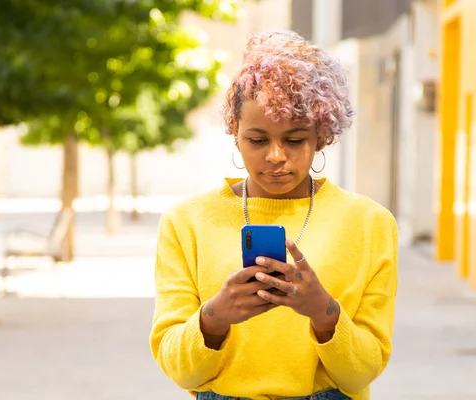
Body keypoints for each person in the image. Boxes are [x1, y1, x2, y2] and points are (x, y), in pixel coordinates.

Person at [150, 30, 398, 400]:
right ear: (235, 133)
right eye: (258, 139)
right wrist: (214, 317)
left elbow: (363, 370)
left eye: (295, 140)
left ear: (322, 136)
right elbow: (181, 372)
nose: (276, 156)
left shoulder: (369, 223)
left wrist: (325, 313)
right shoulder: (187, 222)